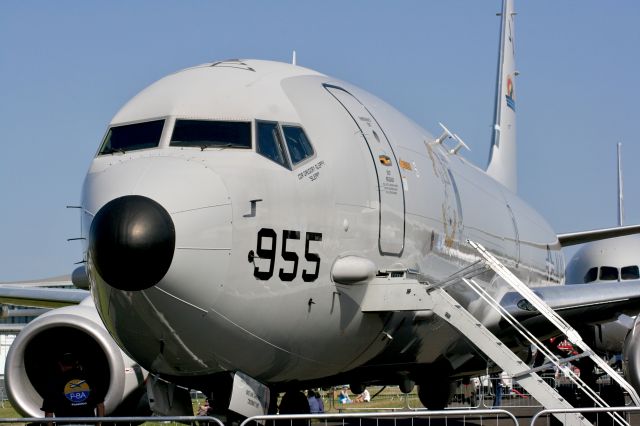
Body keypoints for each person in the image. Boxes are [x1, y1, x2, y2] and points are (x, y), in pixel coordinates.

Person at [41, 353, 105, 425]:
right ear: (76, 363)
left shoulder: (54, 383)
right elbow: (100, 405)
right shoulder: (91, 379)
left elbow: (48, 413)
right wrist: (99, 424)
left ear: (60, 364)